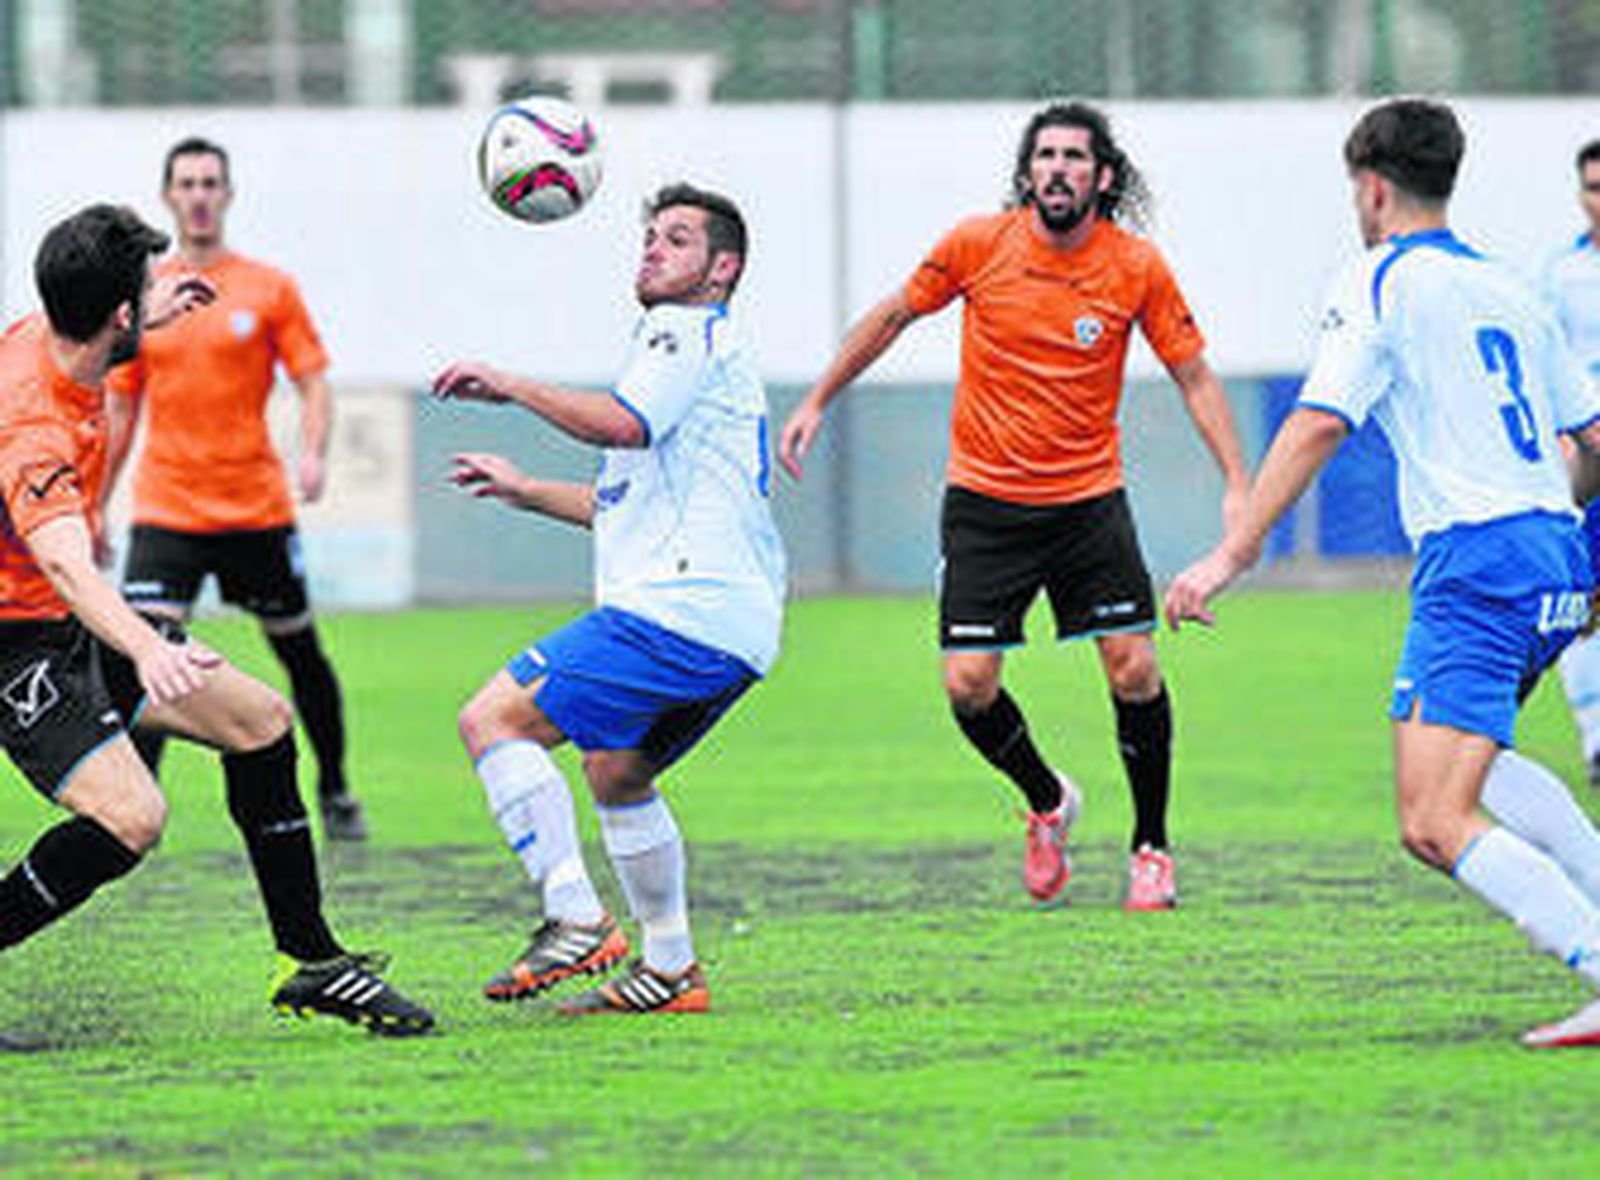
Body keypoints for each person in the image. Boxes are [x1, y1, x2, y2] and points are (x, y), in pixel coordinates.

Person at [1166, 98, 1600, 1050]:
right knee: (1462, 751)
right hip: (1551, 548)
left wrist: (1234, 551)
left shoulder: (1381, 279)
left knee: (1432, 817)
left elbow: (1321, 419)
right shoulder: (1513, 287)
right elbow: (1593, 441)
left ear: (1370, 188)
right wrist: (1557, 538)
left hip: (1478, 561)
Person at [780, 100, 1249, 910]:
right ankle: (1046, 799)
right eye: (1045, 156)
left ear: (1102, 177)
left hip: (1088, 504)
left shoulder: (1135, 265)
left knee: (1134, 667)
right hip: (985, 505)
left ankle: (1151, 848)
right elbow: (894, 314)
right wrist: (818, 397)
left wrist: (1238, 479)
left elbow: (1194, 374)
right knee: (967, 684)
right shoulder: (977, 244)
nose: (1058, 169)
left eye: (1074, 157)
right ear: (1027, 173)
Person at [0, 204, 433, 1039]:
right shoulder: (33, 425)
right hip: (17, 644)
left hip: (65, 619)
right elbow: (64, 564)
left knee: (262, 723)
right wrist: (141, 648)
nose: (160, 294)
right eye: (145, 288)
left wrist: (146, 312)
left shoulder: (51, 329)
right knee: (134, 818)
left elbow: (68, 575)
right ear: (118, 315)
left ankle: (310, 963)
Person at [433, 183, 784, 1014]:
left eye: (678, 240)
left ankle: (575, 915)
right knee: (617, 771)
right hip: (732, 627)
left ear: (721, 269)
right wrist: (524, 491)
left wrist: (514, 383)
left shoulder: (684, 330)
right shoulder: (693, 359)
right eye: (650, 238)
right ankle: (671, 970)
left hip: (678, 613)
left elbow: (621, 424)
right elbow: (617, 502)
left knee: (492, 719)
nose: (653, 249)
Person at [104, 137, 367, 841]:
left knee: (299, 652)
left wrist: (313, 454)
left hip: (256, 509)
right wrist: (98, 505)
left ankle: (337, 788)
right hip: (168, 509)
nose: (198, 195)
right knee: (145, 651)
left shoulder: (268, 287)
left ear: (227, 194)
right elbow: (122, 408)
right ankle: (135, 800)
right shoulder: (145, 296)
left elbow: (313, 380)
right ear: (167, 196)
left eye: (210, 182)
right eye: (186, 183)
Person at [1544, 139, 1600, 785]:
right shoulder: (1559, 273)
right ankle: (1593, 736)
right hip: (1587, 452)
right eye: (1591, 187)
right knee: (1576, 597)